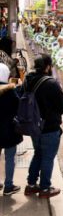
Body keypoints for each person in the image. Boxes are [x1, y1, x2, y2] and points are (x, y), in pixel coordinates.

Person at [24, 54, 63, 198]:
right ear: (48, 67)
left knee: (38, 154)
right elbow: (61, 105)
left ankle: (30, 185)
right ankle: (45, 188)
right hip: (49, 127)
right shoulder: (51, 83)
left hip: (33, 126)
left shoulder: (28, 80)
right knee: (47, 157)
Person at [0, 63, 23, 195]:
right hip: (9, 131)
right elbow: (19, 106)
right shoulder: (11, 92)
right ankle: (8, 185)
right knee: (10, 157)